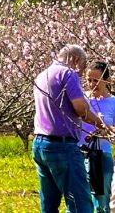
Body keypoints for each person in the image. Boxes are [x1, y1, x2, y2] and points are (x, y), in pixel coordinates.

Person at [34, 44, 110, 213]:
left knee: (49, 204)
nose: (81, 74)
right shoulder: (67, 73)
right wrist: (100, 123)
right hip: (62, 146)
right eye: (82, 69)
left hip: (40, 144)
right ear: (75, 60)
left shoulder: (41, 75)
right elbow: (80, 108)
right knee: (80, 204)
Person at [83, 61, 115, 213]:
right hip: (79, 154)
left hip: (102, 156)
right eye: (89, 79)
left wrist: (106, 130)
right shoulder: (82, 100)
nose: (92, 84)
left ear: (107, 80)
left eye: (96, 80)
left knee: (102, 202)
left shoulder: (113, 102)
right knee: (80, 200)